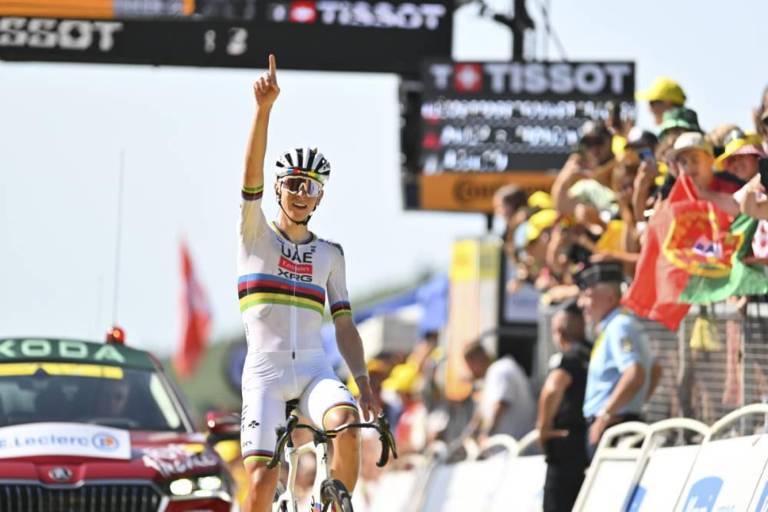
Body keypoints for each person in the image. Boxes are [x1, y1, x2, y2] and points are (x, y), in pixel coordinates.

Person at [238, 54, 378, 512]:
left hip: (315, 368)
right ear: (279, 187)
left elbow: (344, 326)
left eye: (311, 187)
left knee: (348, 426)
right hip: (265, 372)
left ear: (321, 195)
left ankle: (334, 504)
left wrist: (362, 380)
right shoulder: (255, 234)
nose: (301, 194)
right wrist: (264, 110)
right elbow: (251, 177)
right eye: (294, 184)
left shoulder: (330, 254)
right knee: (259, 482)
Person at [577, 263, 654, 456]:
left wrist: (606, 415)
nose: (581, 303)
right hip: (616, 424)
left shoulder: (619, 326)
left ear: (610, 297)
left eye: (588, 295)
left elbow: (635, 373)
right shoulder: (618, 325)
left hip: (614, 430)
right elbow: (656, 370)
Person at [537, 302, 591, 512]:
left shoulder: (570, 358)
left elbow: (552, 389)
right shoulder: (593, 351)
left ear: (558, 332)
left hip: (565, 442)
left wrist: (543, 427)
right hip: (590, 441)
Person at [463, 340, 535, 441]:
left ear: (475, 360)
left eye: (469, 366)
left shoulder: (499, 370)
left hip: (512, 449)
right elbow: (481, 413)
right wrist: (469, 433)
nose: (470, 372)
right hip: (508, 450)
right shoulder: (493, 375)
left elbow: (500, 404)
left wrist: (485, 435)